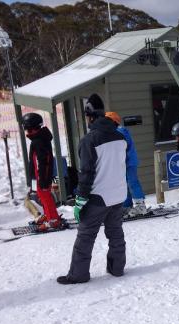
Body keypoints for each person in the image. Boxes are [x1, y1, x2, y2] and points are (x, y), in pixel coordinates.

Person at [58, 94, 127, 285]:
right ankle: (117, 268)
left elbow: (86, 173)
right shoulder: (121, 137)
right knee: (115, 232)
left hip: (99, 196)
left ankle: (78, 274)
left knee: (86, 236)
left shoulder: (89, 140)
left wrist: (80, 200)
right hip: (119, 193)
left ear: (90, 117)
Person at [22, 112, 62, 231]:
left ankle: (53, 220)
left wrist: (43, 179)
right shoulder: (38, 139)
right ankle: (49, 215)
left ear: (32, 127)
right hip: (40, 175)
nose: (26, 131)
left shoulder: (39, 141)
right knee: (42, 195)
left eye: (27, 128)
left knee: (45, 196)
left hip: (42, 176)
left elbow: (43, 162)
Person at [104, 111, 148, 217]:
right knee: (124, 185)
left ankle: (140, 206)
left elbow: (123, 147)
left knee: (132, 183)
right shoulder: (115, 132)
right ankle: (127, 206)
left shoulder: (121, 131)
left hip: (128, 161)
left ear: (112, 121)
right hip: (122, 163)